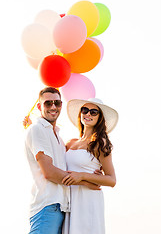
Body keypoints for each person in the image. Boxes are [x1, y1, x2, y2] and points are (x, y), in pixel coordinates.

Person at [24, 87, 101, 234]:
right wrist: (87, 182)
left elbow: (72, 162)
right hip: (47, 207)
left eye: (57, 103)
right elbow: (49, 172)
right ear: (39, 107)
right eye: (48, 103)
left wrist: (92, 170)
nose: (53, 107)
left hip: (61, 207)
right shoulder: (37, 129)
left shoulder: (58, 137)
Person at [62, 98, 118, 234]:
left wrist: (82, 176)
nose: (88, 114)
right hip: (69, 199)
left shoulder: (99, 143)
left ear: (99, 118)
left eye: (94, 112)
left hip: (88, 200)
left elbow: (111, 180)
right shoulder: (70, 143)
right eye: (85, 110)